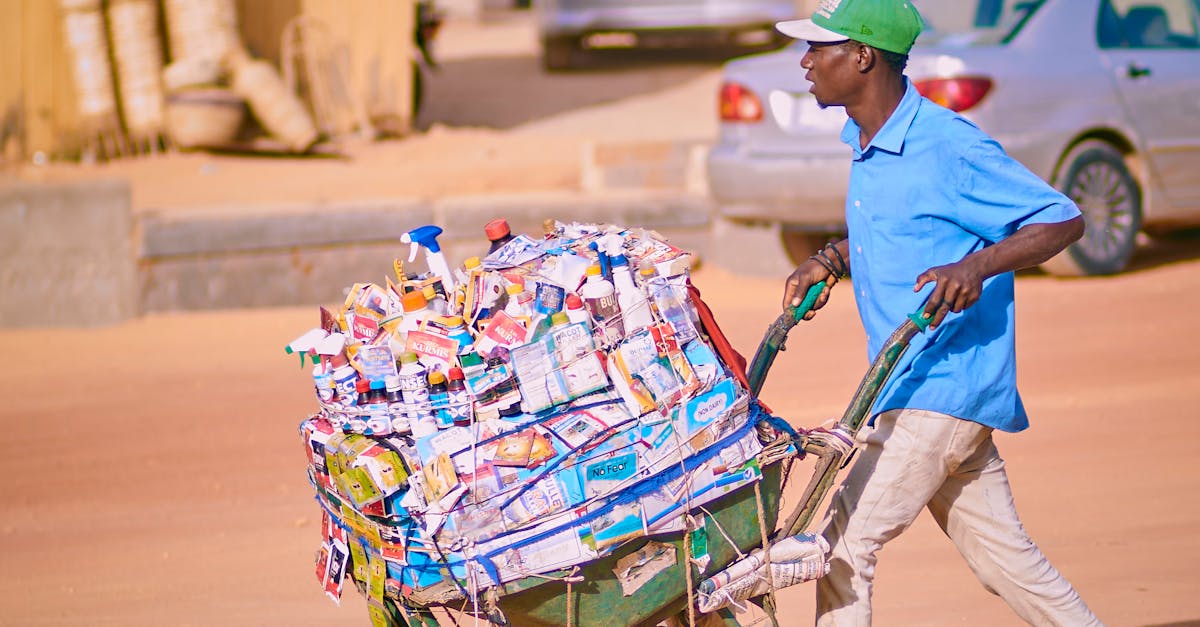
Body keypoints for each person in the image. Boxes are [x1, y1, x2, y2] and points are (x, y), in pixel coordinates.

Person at [774, 0, 1103, 625]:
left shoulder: (947, 144)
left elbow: (1062, 218)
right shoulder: (869, 142)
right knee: (1007, 561)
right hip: (919, 387)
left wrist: (975, 267)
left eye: (819, 49)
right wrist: (833, 260)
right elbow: (905, 226)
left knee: (844, 546)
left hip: (939, 385)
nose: (806, 61)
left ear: (863, 57)